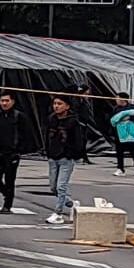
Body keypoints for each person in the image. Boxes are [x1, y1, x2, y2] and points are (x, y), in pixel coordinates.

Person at [0, 91, 34, 214]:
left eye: (7, 101)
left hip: (12, 154)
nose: (4, 103)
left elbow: (26, 135)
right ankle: (6, 193)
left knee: (10, 179)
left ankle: (7, 205)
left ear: (13, 102)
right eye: (2, 101)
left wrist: (20, 150)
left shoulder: (19, 116)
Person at [45, 95, 86, 224]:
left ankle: (58, 213)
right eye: (55, 103)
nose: (56, 106)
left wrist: (74, 154)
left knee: (61, 186)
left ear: (67, 106)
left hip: (66, 158)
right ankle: (71, 203)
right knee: (53, 187)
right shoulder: (51, 119)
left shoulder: (73, 122)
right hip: (53, 157)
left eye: (60, 104)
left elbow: (78, 140)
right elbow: (47, 136)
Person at [111, 93, 134, 177]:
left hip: (131, 132)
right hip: (119, 132)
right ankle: (120, 169)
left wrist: (129, 118)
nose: (116, 100)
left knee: (132, 150)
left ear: (123, 99)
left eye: (117, 98)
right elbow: (113, 119)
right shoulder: (116, 108)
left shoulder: (133, 107)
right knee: (119, 151)